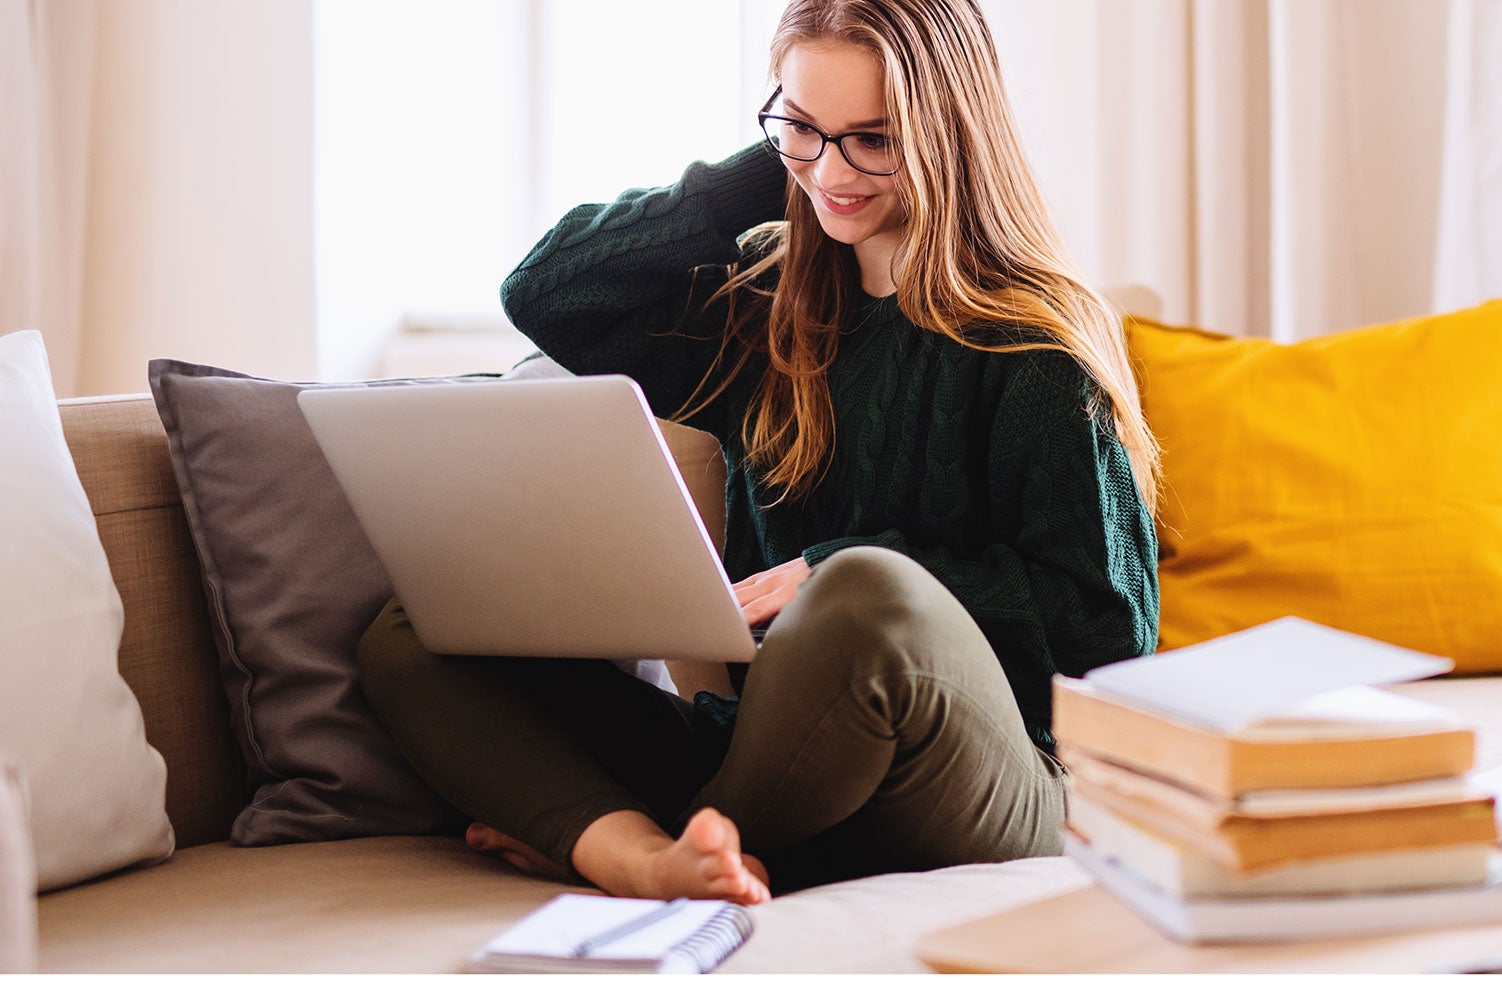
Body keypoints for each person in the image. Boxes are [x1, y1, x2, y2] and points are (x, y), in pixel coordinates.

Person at [354, 0, 1161, 904]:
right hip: (771, 754)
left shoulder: (1035, 346)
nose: (833, 171)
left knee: (866, 593)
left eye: (873, 139)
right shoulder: (764, 309)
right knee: (421, 623)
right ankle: (640, 855)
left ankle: (693, 840)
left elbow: (1108, 630)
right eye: (804, 129)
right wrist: (767, 167)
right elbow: (549, 292)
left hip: (989, 775)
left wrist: (829, 572)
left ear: (948, 131)